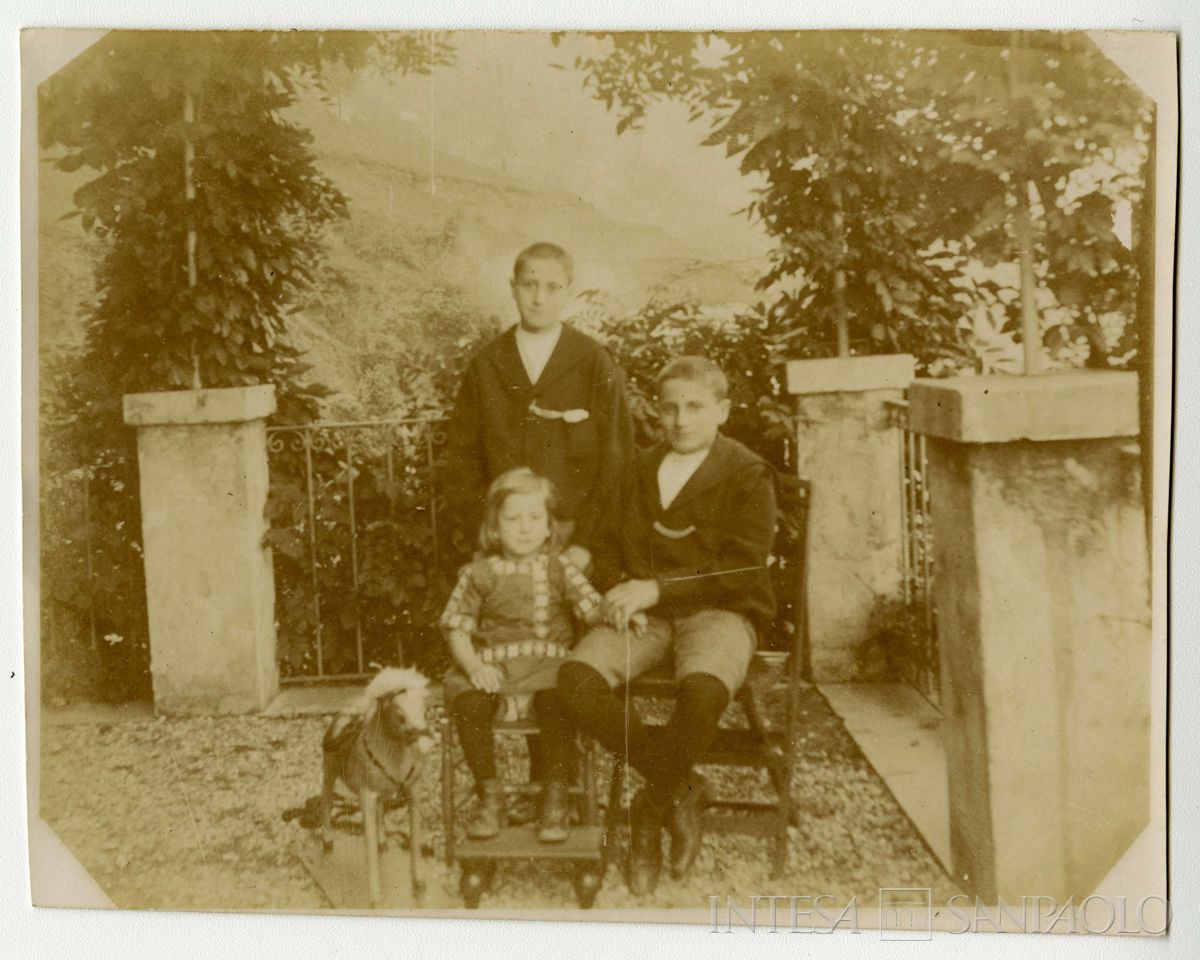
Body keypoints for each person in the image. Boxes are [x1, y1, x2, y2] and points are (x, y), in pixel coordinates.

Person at [556, 356, 778, 894]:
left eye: (696, 406)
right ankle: (678, 787)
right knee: (575, 682)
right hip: (643, 614)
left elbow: (744, 567)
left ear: (722, 411)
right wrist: (622, 591)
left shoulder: (747, 472)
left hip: (720, 609)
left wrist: (660, 588)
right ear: (657, 411)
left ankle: (648, 811)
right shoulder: (637, 467)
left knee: (703, 691)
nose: (680, 419)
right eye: (670, 407)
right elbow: (606, 545)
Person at [440, 467, 607, 844]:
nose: (525, 528)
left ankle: (555, 794)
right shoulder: (478, 574)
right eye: (513, 519)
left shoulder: (560, 567)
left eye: (535, 518)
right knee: (468, 703)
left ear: (550, 527)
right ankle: (490, 794)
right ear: (495, 528)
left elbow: (592, 610)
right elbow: (458, 629)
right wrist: (474, 665)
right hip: (494, 670)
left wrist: (617, 611)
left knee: (559, 703)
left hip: (547, 669)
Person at [443, 242, 634, 570]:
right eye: (529, 285)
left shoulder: (592, 361)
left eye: (552, 287)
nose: (539, 298)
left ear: (569, 292)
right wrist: (486, 535)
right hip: (504, 538)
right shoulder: (487, 364)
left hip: (575, 538)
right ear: (513, 288)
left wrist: (587, 542)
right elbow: (462, 461)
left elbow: (618, 457)